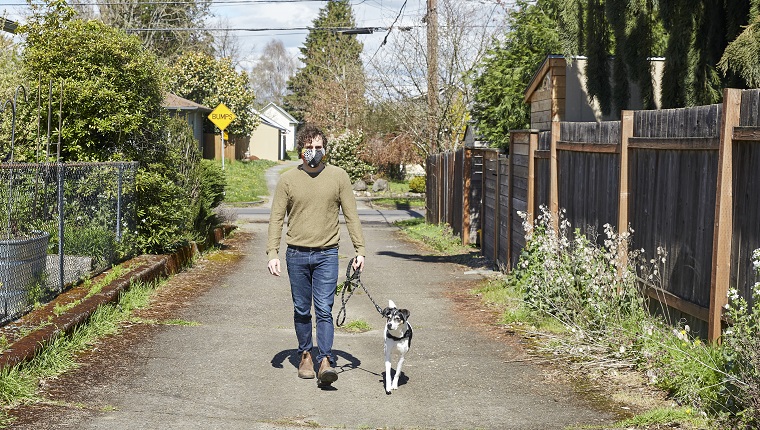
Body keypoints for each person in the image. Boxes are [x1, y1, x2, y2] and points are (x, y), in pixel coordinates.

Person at [266, 124, 366, 387]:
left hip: (327, 255)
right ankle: (306, 355)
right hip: (296, 255)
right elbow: (276, 218)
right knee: (301, 310)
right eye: (309, 148)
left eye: (318, 147)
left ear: (326, 150)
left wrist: (360, 250)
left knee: (324, 309)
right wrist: (272, 252)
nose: (314, 152)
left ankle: (325, 361)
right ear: (301, 151)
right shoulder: (288, 180)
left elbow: (351, 216)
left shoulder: (338, 177)